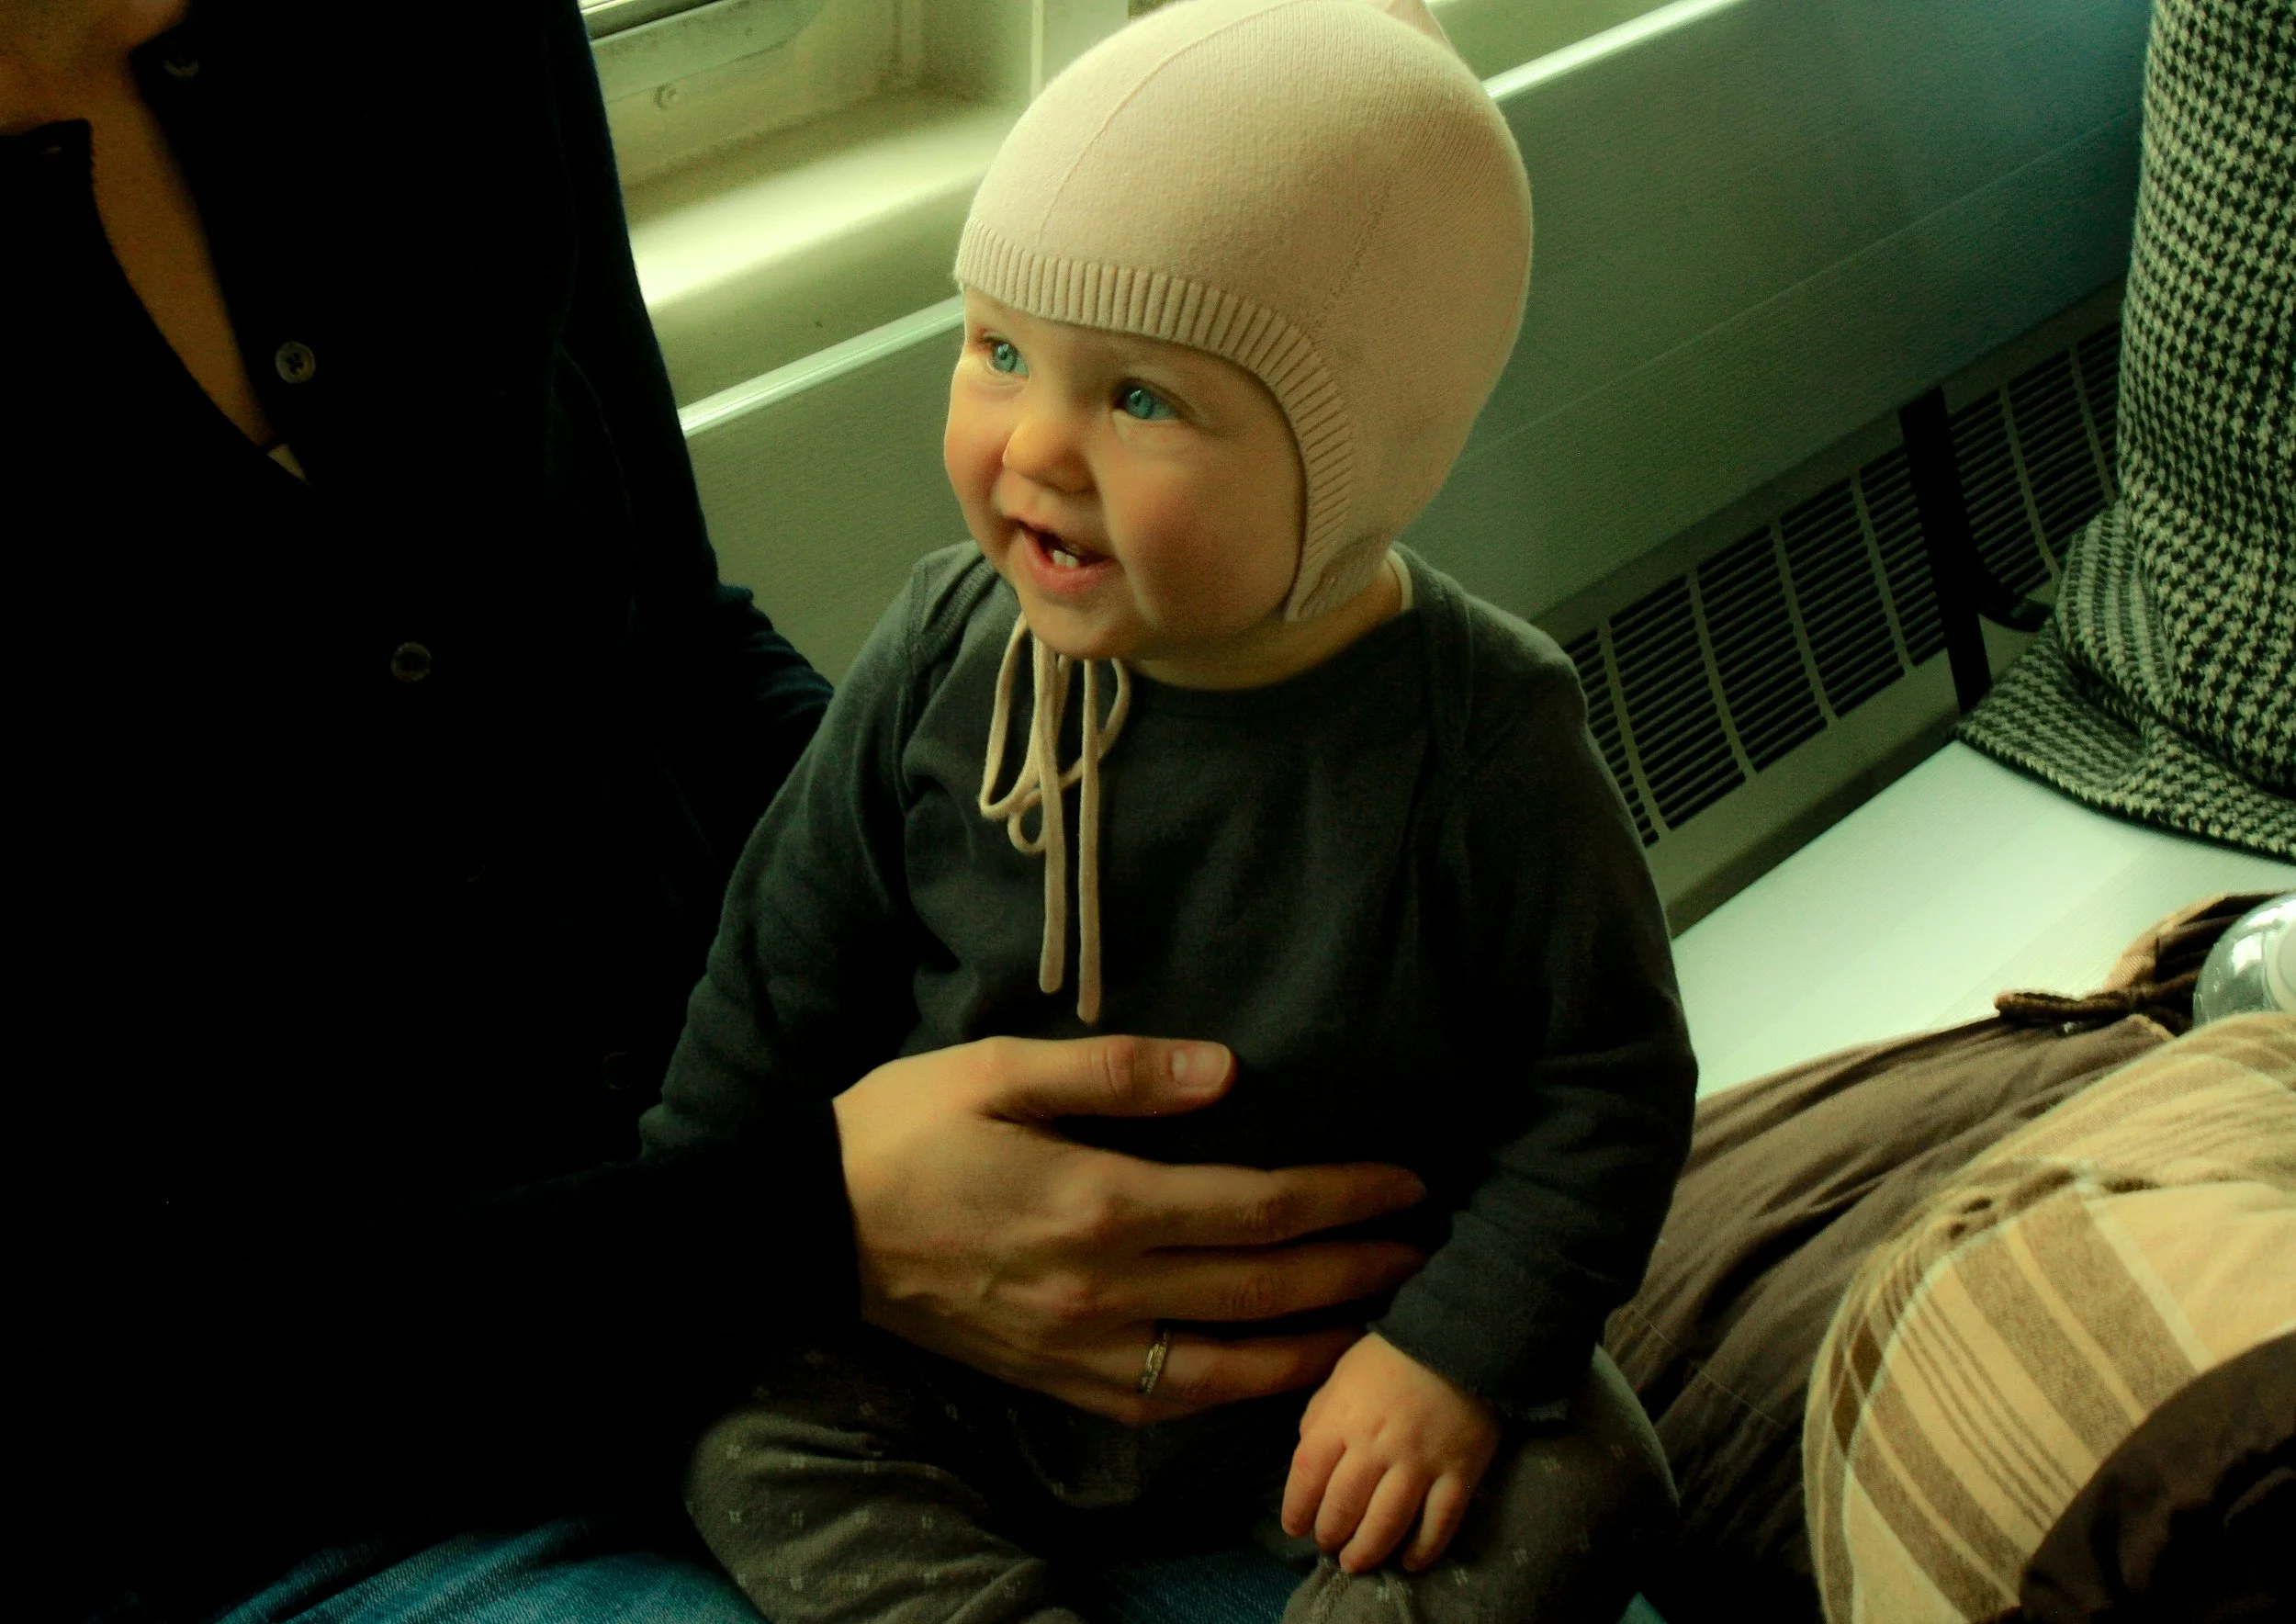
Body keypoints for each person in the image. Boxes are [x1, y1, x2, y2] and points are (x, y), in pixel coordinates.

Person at [6, 3, 1432, 1618]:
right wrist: (814, 1229)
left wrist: (1019, 920)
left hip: (820, 1248)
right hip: (311, 1489)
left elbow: (670, 643)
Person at [650, 2, 1697, 1619]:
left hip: (1320, 1369)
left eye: (1142, 397)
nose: (1036, 447)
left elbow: (1609, 1087)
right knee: (738, 1430)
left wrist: (1450, 1358)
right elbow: (772, 991)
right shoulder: (937, 656)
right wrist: (698, 1260)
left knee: (1593, 1474)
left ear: (1359, 457)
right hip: (955, 1350)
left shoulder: (1483, 735)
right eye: (997, 350)